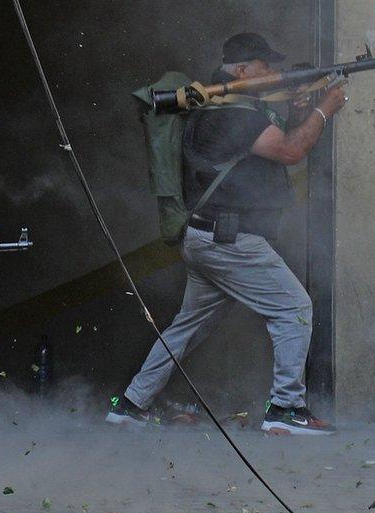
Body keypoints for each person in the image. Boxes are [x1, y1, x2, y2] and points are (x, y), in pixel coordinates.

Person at [107, 33, 346, 435]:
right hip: (229, 240)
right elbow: (289, 150)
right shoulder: (231, 111)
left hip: (208, 238)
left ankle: (132, 404)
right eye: (265, 66)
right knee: (294, 308)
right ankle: (286, 409)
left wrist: (300, 106)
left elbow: (262, 147)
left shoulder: (224, 104)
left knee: (187, 327)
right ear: (242, 69)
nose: (272, 73)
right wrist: (325, 108)